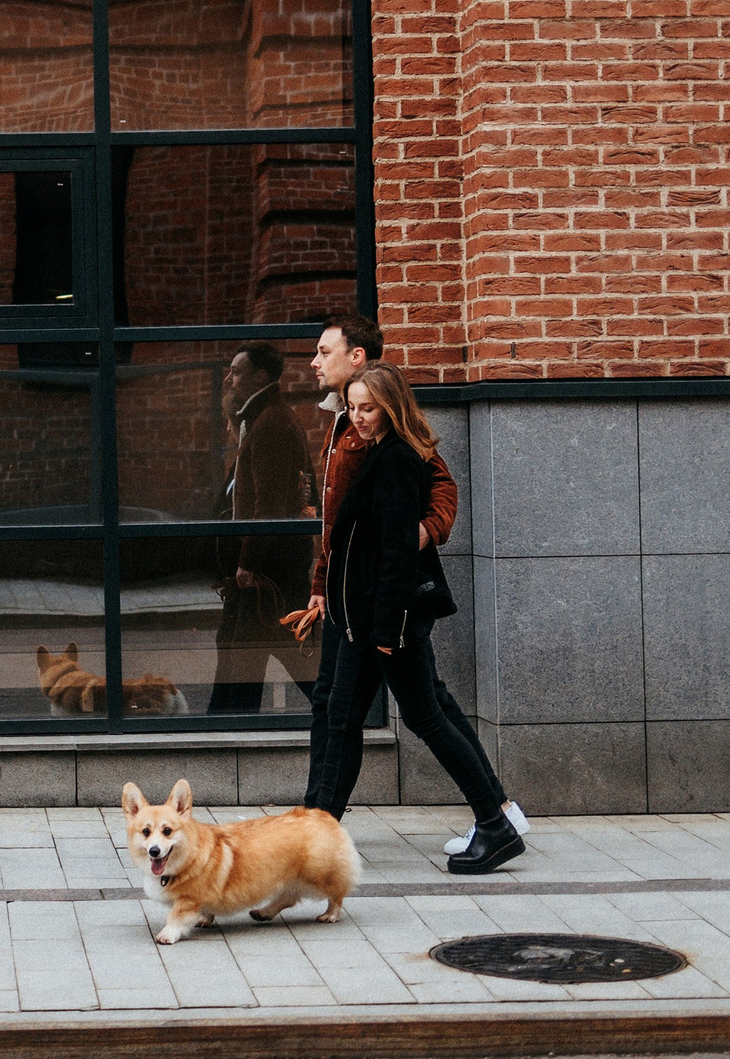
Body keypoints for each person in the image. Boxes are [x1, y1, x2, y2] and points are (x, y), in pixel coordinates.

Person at [283, 315, 524, 855]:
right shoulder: (345, 430)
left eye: (325, 351)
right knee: (343, 710)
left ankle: (496, 817)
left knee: (420, 713)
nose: (315, 362)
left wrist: (422, 532)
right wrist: (324, 586)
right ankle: (315, 828)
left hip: (380, 614)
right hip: (357, 608)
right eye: (355, 408)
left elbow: (425, 505)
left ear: (359, 361)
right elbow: (338, 530)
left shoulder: (394, 452)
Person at [208, 342, 316, 712]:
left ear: (260, 377)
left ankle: (227, 733)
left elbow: (268, 505)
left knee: (253, 656)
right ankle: (226, 732)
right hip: (262, 573)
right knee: (244, 657)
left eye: (237, 371)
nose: (229, 378)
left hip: (263, 575)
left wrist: (249, 562)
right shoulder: (261, 419)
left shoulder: (270, 424)